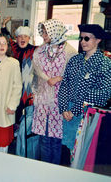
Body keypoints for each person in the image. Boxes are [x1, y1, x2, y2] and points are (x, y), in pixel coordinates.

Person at [58, 24, 111, 165]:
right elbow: (64, 85)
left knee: (81, 155)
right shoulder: (75, 60)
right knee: (64, 151)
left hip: (88, 115)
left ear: (98, 40)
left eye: (86, 38)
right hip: (68, 113)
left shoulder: (104, 63)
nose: (83, 42)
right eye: (81, 38)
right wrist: (63, 108)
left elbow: (104, 93)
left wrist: (75, 108)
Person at [31, 19, 77, 165]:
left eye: (46, 32)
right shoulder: (40, 50)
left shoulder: (69, 51)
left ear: (55, 31)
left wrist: (59, 78)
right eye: (43, 32)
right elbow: (36, 68)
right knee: (44, 138)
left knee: (56, 139)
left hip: (60, 100)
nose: (44, 35)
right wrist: (47, 78)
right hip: (44, 99)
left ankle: (54, 171)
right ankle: (44, 169)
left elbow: (75, 74)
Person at [1, 17, 40, 159]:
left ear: (29, 38)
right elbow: (4, 38)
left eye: (25, 36)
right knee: (12, 122)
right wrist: (4, 25)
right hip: (13, 92)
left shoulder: (36, 51)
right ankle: (9, 148)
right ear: (16, 38)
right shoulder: (13, 49)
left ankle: (22, 155)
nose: (22, 39)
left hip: (29, 93)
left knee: (26, 127)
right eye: (20, 36)